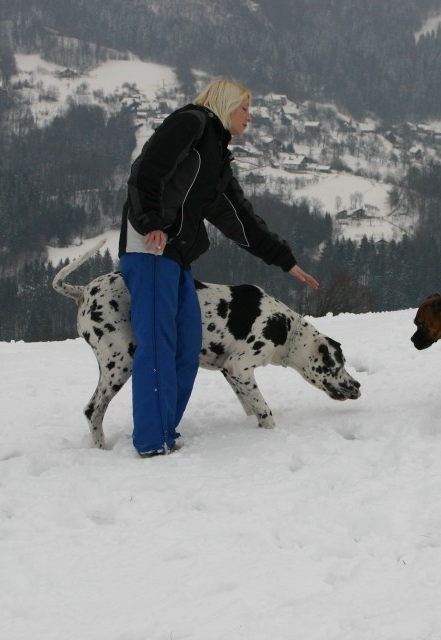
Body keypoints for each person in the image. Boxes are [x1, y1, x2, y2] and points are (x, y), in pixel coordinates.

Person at [118, 78, 319, 458]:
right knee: (159, 346)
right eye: (245, 108)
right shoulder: (191, 123)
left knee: (187, 343)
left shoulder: (217, 158)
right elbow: (147, 171)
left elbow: (241, 219)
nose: (250, 116)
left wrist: (285, 260)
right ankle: (151, 441)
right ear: (226, 104)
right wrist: (152, 223)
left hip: (176, 256)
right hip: (149, 248)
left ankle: (165, 430)